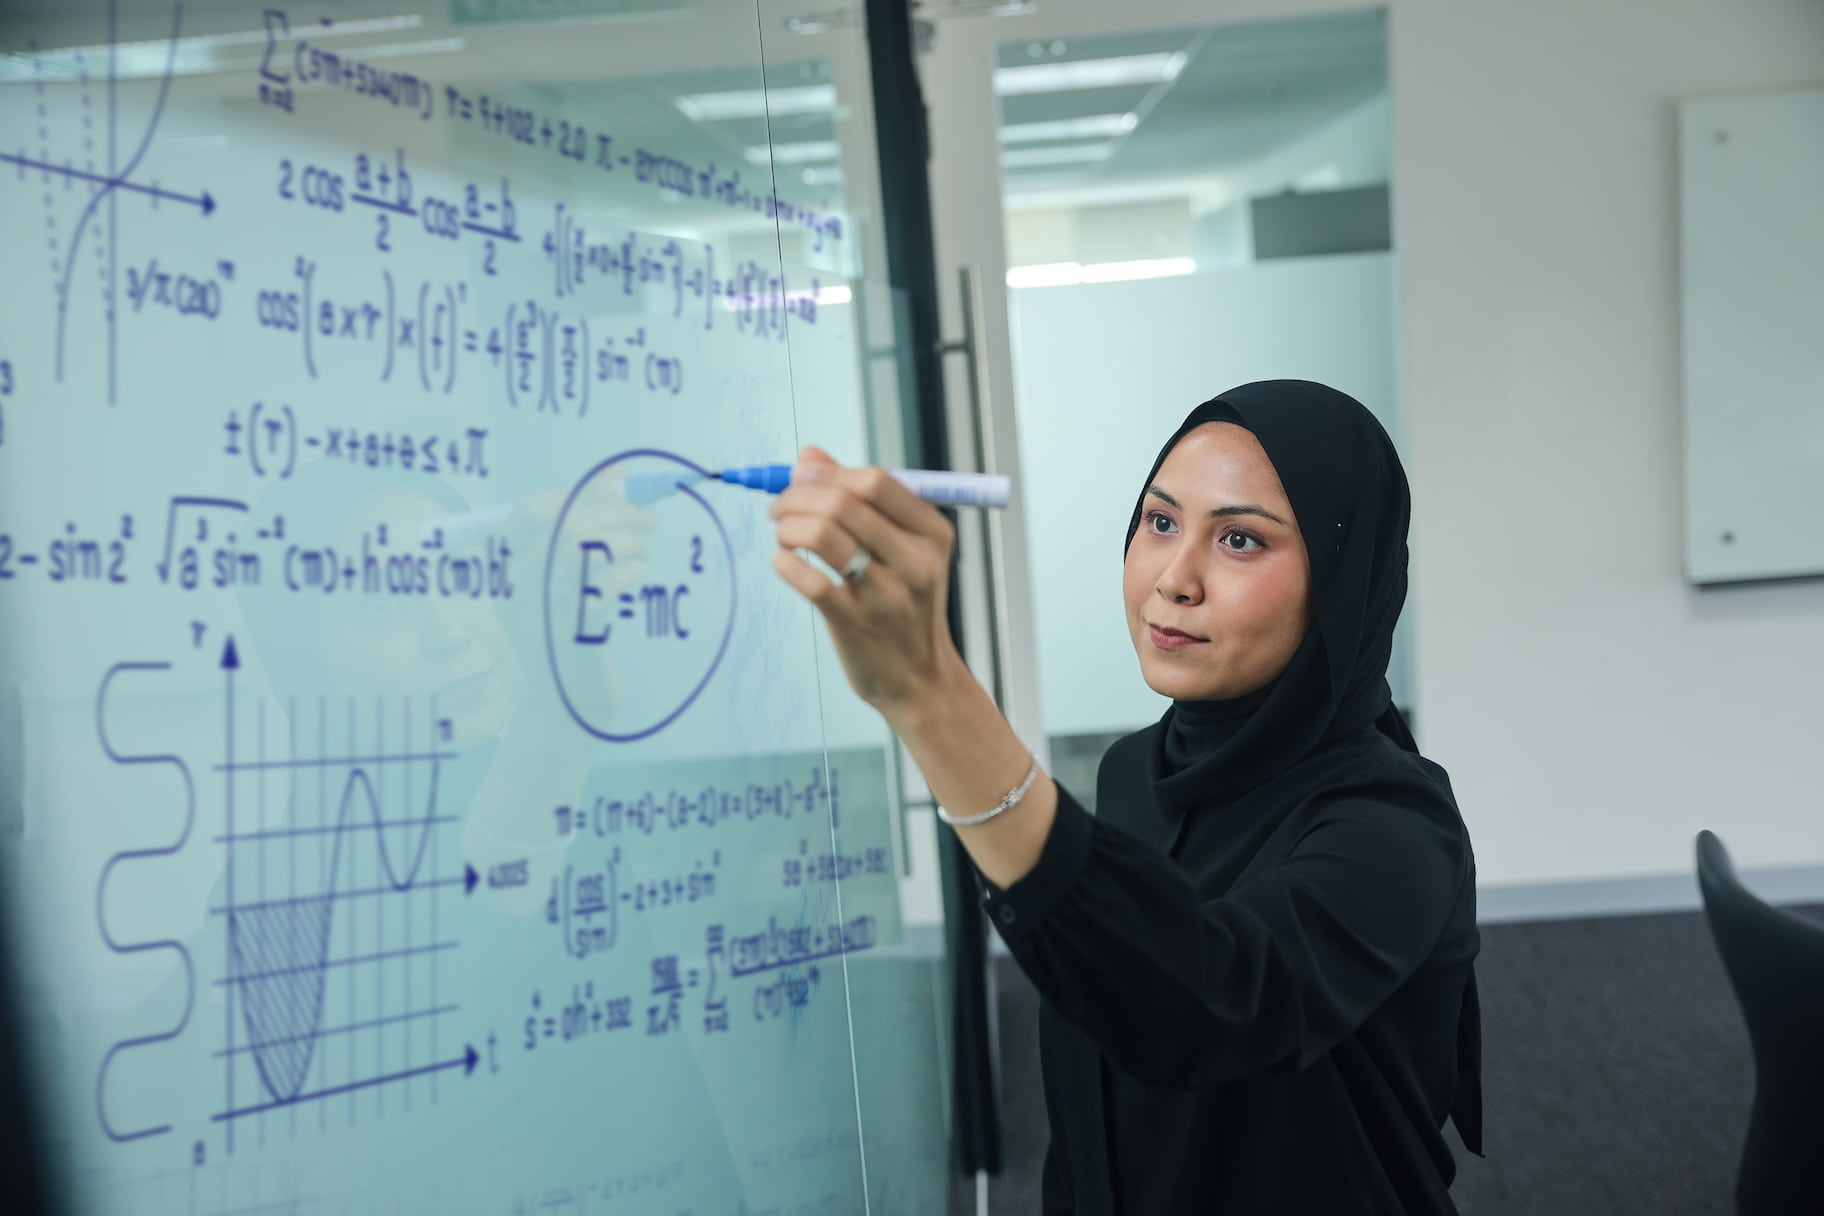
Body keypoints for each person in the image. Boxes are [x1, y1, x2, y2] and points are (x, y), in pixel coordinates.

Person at [767, 379, 1483, 1214]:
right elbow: (1100, 1030)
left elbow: (1209, 1005)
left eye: (1242, 540)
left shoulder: (1396, 823)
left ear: (1340, 582)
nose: (1174, 579)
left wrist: (931, 693)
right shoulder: (1132, 769)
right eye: (1161, 521)